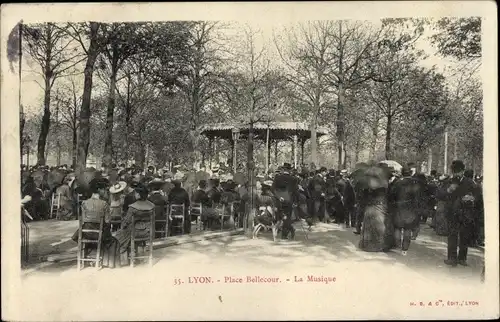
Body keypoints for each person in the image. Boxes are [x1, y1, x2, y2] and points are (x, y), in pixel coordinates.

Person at [72, 177, 119, 268]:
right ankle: (105, 261)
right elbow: (107, 221)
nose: (105, 192)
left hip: (86, 233)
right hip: (98, 234)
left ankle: (88, 257)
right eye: (104, 190)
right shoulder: (104, 204)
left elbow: (83, 219)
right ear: (99, 190)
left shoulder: (84, 203)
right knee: (112, 240)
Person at [444, 160, 479, 267]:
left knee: (465, 236)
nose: (457, 174)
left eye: (458, 171)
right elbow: (439, 194)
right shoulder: (448, 181)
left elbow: (479, 196)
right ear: (452, 171)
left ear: (463, 171)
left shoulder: (470, 182)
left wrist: (472, 198)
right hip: (452, 212)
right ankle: (452, 258)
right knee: (452, 235)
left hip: (465, 213)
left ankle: (462, 258)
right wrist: (449, 190)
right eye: (455, 171)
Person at [114, 183, 155, 263]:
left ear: (139, 195)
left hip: (135, 232)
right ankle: (139, 256)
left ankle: (123, 259)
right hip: (148, 232)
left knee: (119, 235)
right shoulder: (152, 206)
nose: (134, 194)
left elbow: (126, 222)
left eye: (135, 193)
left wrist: (122, 227)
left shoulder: (133, 207)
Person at [389, 167, 422, 255]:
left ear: (402, 173)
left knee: (397, 227)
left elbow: (391, 194)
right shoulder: (415, 183)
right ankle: (405, 249)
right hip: (410, 208)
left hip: (398, 206)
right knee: (408, 228)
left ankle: (398, 245)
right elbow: (418, 197)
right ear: (410, 173)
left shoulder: (397, 183)